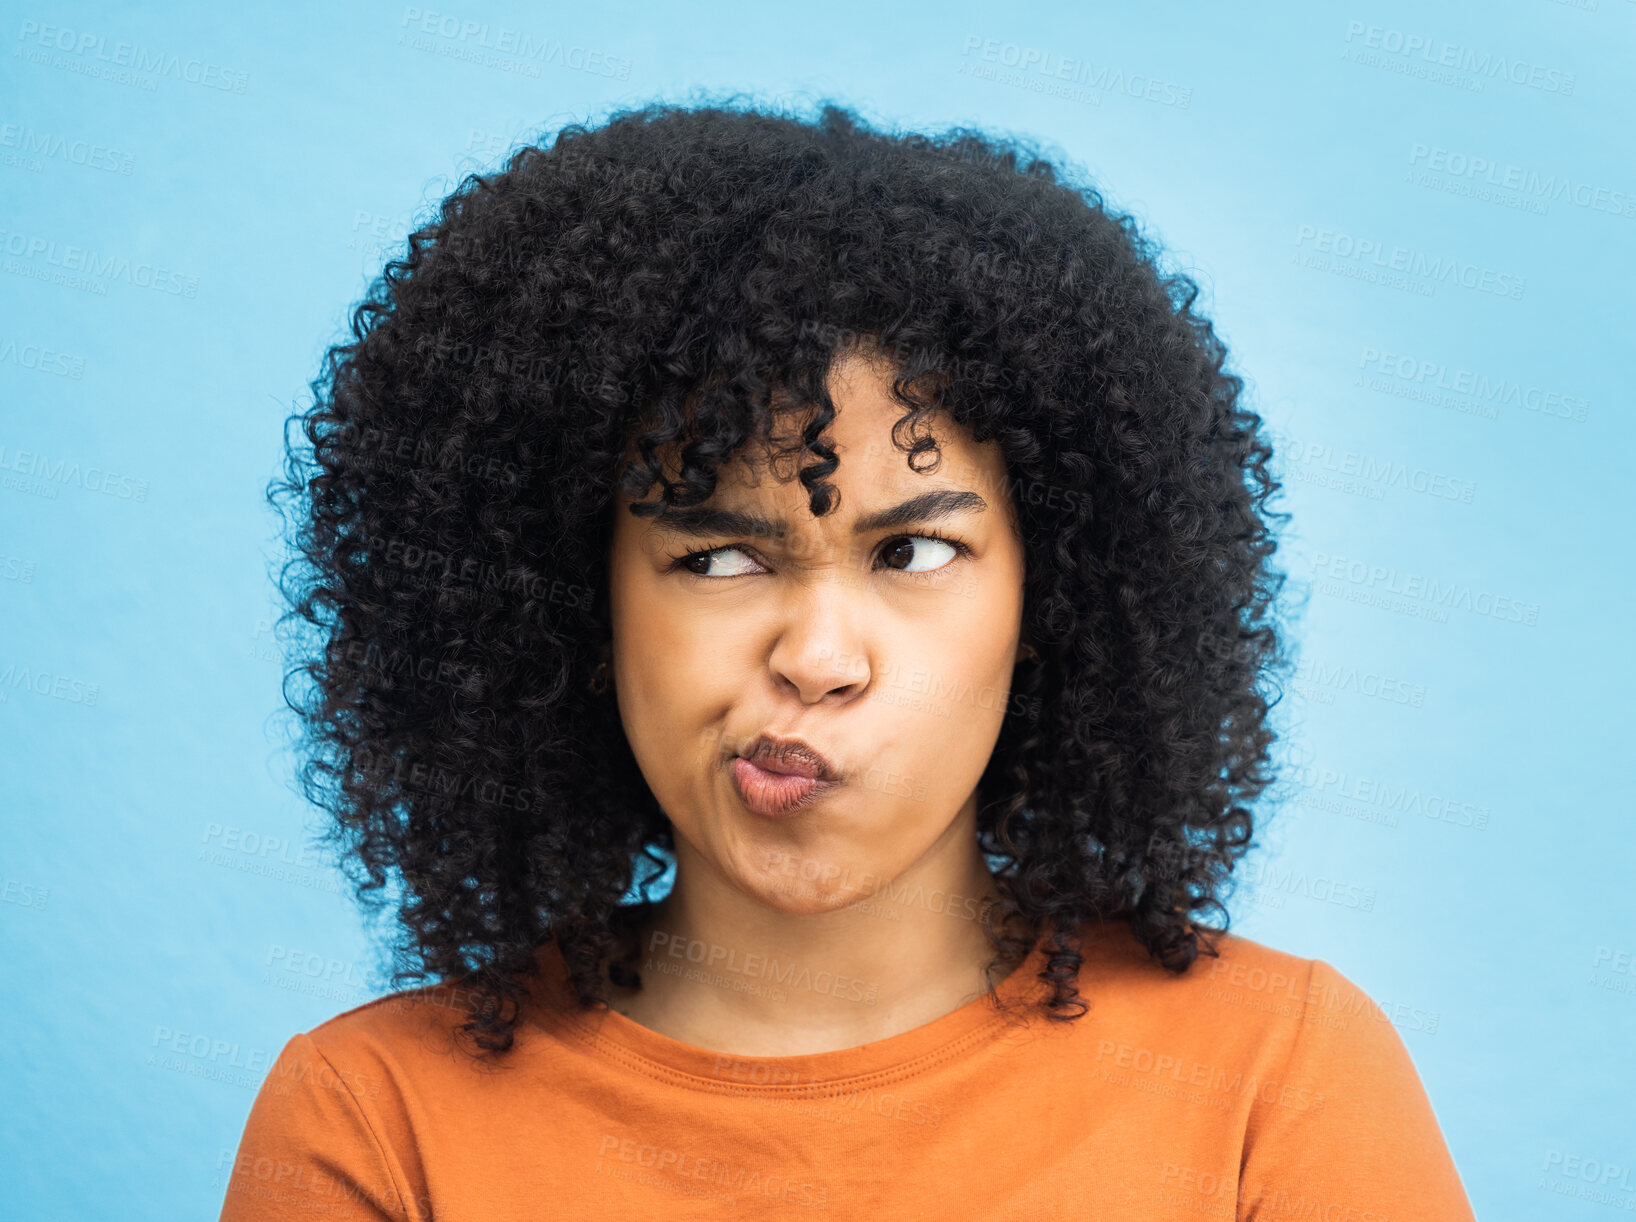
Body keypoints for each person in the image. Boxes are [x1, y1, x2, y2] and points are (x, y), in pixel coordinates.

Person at [223, 99, 1476, 1219]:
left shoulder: (1276, 1082)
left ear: (1054, 599)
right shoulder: (376, 1126)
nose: (818, 658)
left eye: (916, 552)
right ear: (572, 603)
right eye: (717, 558)